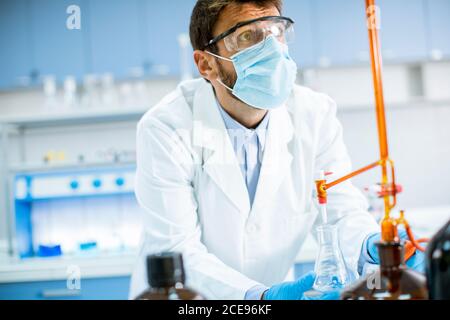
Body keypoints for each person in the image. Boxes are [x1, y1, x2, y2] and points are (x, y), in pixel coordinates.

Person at [129, 0, 425, 300]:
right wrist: (263, 297)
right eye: (247, 36)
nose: (271, 49)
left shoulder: (314, 114)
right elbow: (179, 252)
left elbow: (339, 212)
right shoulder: (166, 127)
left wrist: (369, 245)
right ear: (206, 64)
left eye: (276, 31)